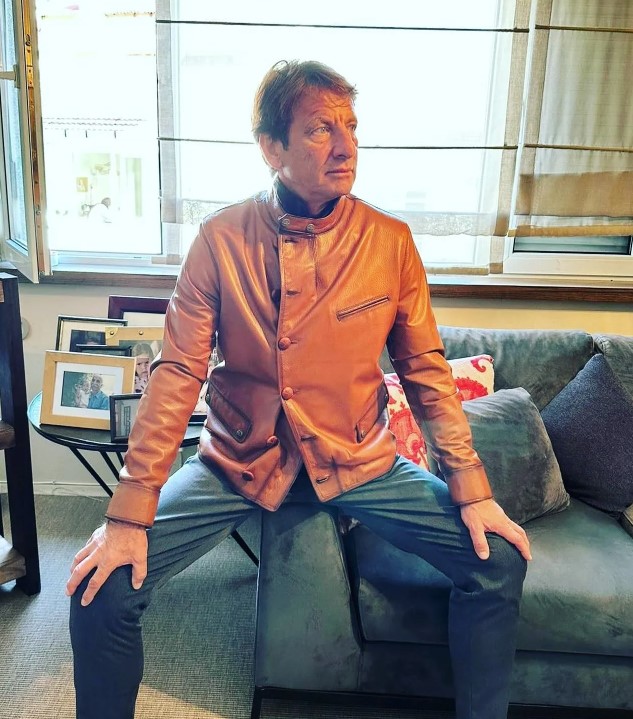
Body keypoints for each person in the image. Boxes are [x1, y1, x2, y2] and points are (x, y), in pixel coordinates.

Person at [67, 60, 531, 719]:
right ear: (271, 147)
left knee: (497, 560)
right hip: (239, 461)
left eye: (351, 128)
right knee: (102, 587)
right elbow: (177, 374)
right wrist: (127, 513)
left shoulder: (390, 243)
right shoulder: (220, 240)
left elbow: (427, 371)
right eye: (320, 129)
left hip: (360, 462)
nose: (345, 147)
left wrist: (473, 489)